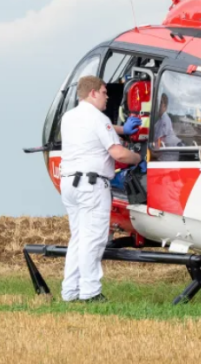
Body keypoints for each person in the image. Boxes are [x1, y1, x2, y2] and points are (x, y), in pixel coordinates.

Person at [59, 75, 142, 302]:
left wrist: (122, 129)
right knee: (93, 239)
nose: (108, 97)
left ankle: (70, 292)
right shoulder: (98, 118)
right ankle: (90, 293)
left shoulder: (69, 116)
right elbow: (118, 153)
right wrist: (138, 158)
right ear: (93, 93)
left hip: (69, 183)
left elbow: (98, 126)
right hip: (91, 185)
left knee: (78, 238)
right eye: (105, 92)